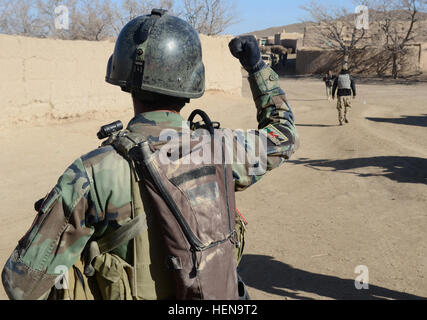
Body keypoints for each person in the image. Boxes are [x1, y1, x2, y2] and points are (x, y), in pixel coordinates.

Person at [2, 9, 299, 300]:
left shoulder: (92, 173)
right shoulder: (223, 149)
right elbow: (284, 136)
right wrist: (258, 67)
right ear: (192, 85)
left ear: (124, 79)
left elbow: (21, 285)